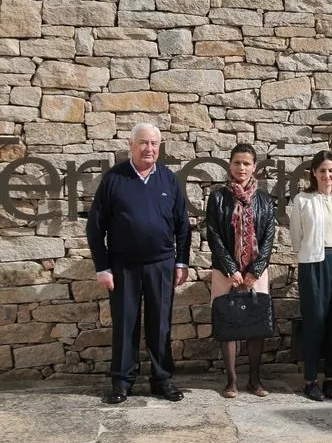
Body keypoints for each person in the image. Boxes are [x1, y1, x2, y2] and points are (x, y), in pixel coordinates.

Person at [86, 123, 191, 404]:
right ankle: (122, 382)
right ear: (131, 145)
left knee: (160, 324)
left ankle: (162, 380)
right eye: (143, 143)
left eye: (154, 144)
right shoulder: (114, 179)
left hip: (161, 265)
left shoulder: (169, 179)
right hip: (123, 268)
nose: (149, 149)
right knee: (125, 324)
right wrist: (102, 267)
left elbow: (183, 225)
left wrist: (182, 262)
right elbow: (96, 227)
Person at [205, 143, 276, 398]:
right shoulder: (218, 197)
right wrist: (231, 269)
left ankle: (255, 380)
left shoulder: (265, 200)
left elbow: (268, 237)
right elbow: (213, 235)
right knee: (228, 323)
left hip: (255, 272)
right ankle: (232, 381)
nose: (241, 168)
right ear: (230, 165)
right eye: (237, 163)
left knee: (256, 324)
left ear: (254, 167)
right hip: (226, 272)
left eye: (247, 163)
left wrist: (254, 270)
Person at [289, 150, 332, 401]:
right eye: (322, 170)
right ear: (313, 173)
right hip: (313, 263)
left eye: (331, 170)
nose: (327, 175)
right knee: (314, 321)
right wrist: (310, 253)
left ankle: (330, 378)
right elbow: (297, 237)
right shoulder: (303, 200)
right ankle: (310, 379)